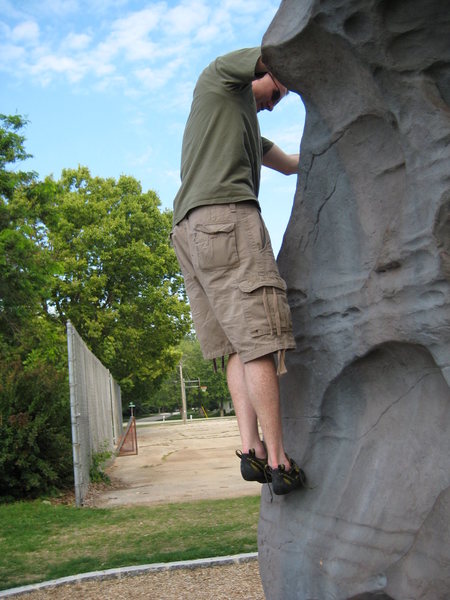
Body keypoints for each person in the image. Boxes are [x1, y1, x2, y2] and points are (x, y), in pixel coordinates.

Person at [171, 47, 306, 496]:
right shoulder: (219, 78)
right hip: (225, 219)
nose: (274, 101)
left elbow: (289, 165)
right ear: (261, 75)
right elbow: (276, 52)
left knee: (233, 345)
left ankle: (252, 450)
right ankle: (281, 459)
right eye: (277, 91)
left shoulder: (244, 128)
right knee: (260, 340)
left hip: (189, 233)